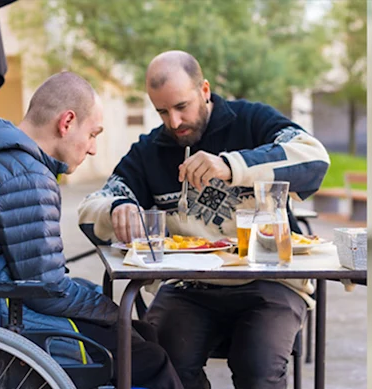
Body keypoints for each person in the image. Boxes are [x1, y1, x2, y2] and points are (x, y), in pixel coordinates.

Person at [77, 51, 330, 389]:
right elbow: (91, 208)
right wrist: (118, 207)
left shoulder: (252, 120)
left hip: (271, 282)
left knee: (257, 367)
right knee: (162, 366)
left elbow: (315, 158)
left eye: (182, 106)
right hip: (188, 286)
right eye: (162, 111)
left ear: (205, 90)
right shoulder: (149, 151)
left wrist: (232, 166)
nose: (174, 122)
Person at [0, 71, 182, 388]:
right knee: (150, 358)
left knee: (137, 331)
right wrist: (109, 310)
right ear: (66, 122)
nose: (92, 148)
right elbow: (48, 291)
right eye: (93, 134)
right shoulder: (25, 174)